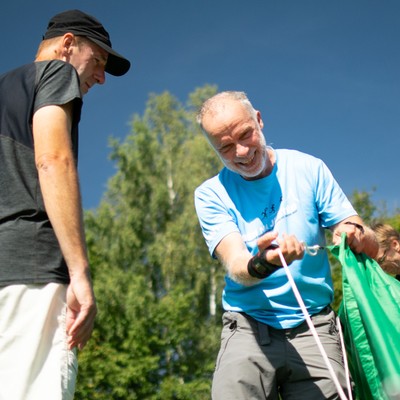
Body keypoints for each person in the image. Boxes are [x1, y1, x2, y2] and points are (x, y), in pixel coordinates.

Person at [194, 91, 378, 400]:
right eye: (225, 147)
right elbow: (238, 265)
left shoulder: (309, 168)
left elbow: (363, 235)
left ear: (260, 121)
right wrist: (264, 262)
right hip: (248, 328)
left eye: (245, 134)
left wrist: (352, 233)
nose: (241, 152)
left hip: (315, 325)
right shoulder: (211, 194)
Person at [0, 9, 130, 400]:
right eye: (99, 61)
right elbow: (53, 160)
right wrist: (80, 274)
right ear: (68, 44)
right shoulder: (55, 74)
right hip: (31, 272)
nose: (100, 76)